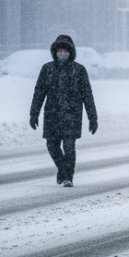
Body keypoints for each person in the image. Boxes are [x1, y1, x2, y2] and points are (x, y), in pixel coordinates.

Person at [30, 34, 98, 187]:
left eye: (65, 50)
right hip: (52, 115)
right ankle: (63, 169)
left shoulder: (79, 70)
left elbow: (87, 95)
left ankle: (68, 177)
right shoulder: (47, 69)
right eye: (59, 50)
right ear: (55, 51)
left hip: (72, 116)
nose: (62, 53)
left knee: (69, 147)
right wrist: (34, 113)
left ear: (70, 52)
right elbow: (39, 92)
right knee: (52, 146)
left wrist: (93, 118)